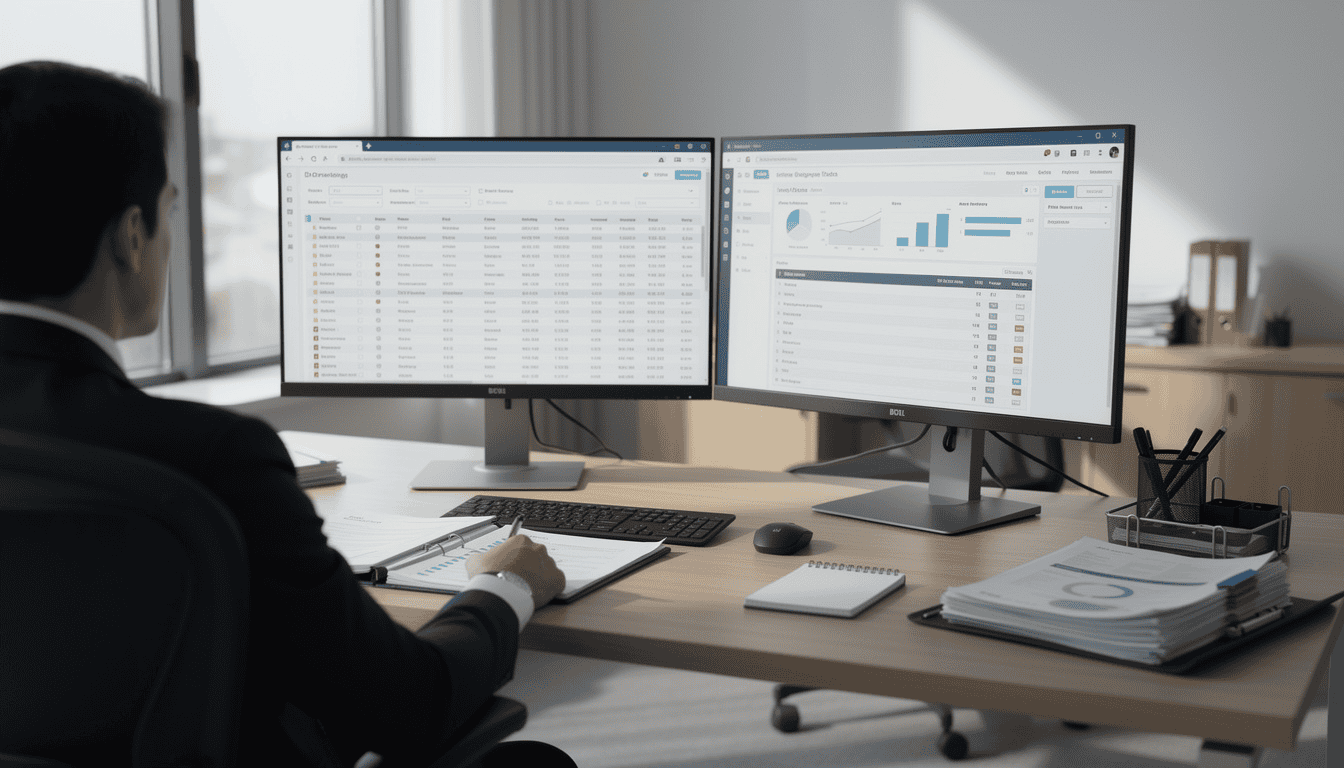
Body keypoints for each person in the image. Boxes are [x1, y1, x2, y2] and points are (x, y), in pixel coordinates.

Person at [0, 60, 574, 767]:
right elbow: (408, 704)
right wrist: (504, 583)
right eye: (171, 209)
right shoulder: (209, 455)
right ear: (133, 236)